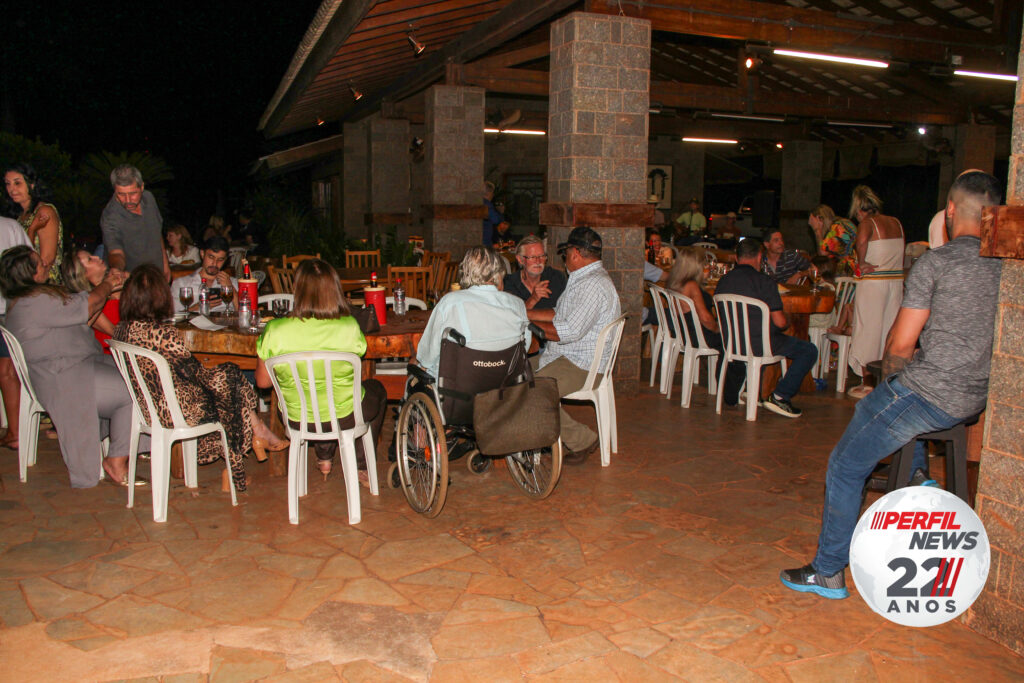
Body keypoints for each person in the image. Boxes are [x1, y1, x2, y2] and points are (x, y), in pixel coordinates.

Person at [780, 171, 1004, 600]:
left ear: (951, 211)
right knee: (892, 411)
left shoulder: (936, 263)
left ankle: (827, 571)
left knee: (846, 463)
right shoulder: (1004, 265)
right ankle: (918, 471)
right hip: (974, 397)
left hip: (931, 395)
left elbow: (900, 344)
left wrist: (887, 377)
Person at [114, 265, 288, 492]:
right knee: (232, 384)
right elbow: (195, 373)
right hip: (176, 410)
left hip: (148, 407)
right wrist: (228, 374)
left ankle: (255, 438)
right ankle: (250, 446)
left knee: (230, 384)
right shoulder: (162, 334)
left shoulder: (121, 330)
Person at [0, 245, 134, 487]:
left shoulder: (29, 299)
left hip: (73, 368)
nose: (47, 265)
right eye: (40, 264)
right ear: (29, 275)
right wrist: (107, 284)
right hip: (65, 377)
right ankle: (116, 461)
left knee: (139, 377)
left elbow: (85, 311)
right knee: (134, 391)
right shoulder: (34, 302)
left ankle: (131, 449)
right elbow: (88, 304)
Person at [256, 259, 386, 480]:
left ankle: (324, 457)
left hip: (297, 418)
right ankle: (361, 465)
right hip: (345, 416)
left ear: (296, 290)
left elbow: (263, 383)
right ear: (335, 290)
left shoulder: (274, 330)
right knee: (376, 390)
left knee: (314, 395)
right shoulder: (349, 327)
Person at [528, 227, 620, 464]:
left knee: (534, 392)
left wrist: (533, 328)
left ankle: (582, 440)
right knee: (513, 370)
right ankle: (531, 436)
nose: (564, 258)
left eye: (566, 252)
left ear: (576, 253)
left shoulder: (591, 285)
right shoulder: (583, 278)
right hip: (567, 355)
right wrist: (527, 314)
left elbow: (568, 331)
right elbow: (559, 314)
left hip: (582, 364)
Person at [716, 238, 818, 417]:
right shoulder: (765, 282)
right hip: (760, 344)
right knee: (808, 350)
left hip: (731, 342)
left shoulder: (723, 281)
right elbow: (779, 322)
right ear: (759, 257)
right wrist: (786, 321)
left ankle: (751, 389)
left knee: (761, 333)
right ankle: (780, 396)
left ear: (737, 258)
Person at [417, 247, 530, 380]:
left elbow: (428, 356)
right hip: (503, 384)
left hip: (457, 387)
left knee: (418, 364)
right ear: (499, 273)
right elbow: (524, 347)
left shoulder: (451, 302)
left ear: (465, 271)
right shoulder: (517, 304)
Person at [847, 184, 905, 399]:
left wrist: (862, 263)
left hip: (874, 282)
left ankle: (867, 383)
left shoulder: (867, 223)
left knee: (867, 330)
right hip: (895, 281)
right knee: (889, 330)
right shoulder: (895, 222)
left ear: (859, 208)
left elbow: (861, 243)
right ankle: (887, 379)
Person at [100, 164, 171, 281]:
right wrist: (117, 269)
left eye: (133, 193)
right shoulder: (110, 216)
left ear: (142, 187)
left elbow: (157, 232)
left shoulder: (149, 198)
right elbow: (116, 253)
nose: (128, 200)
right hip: (134, 282)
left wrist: (165, 265)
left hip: (157, 275)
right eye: (121, 194)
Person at [0, 217, 32, 449]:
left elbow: (31, 263)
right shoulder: (11, 226)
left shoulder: (9, 226)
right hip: (11, 306)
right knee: (7, 369)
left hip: (8, 307)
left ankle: (15, 433)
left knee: (7, 370)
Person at [4, 163, 64, 283]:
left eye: (17, 183)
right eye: (7, 183)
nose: (12, 189)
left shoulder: (44, 211)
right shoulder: (20, 216)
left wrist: (31, 230)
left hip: (43, 284)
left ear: (31, 185)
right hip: (23, 283)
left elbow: (46, 260)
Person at [61, 249, 126, 353]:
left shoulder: (117, 283)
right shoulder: (90, 303)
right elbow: (116, 332)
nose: (97, 257)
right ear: (83, 274)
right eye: (90, 259)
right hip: (114, 355)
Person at [665, 247, 721, 352]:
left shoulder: (674, 282)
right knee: (733, 337)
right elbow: (705, 318)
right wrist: (718, 328)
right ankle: (724, 368)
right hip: (696, 336)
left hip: (681, 332)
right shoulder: (691, 286)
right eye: (703, 265)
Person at [170, 236, 238, 313]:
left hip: (225, 323)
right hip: (193, 323)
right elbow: (172, 316)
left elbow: (245, 315)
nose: (215, 263)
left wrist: (231, 289)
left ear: (225, 260)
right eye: (211, 257)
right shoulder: (181, 284)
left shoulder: (232, 283)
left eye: (220, 259)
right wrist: (196, 307)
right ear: (202, 254)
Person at [503, 235, 566, 311]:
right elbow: (511, 318)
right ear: (520, 259)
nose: (538, 261)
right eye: (532, 257)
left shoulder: (556, 278)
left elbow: (564, 315)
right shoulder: (509, 283)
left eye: (542, 256)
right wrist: (533, 299)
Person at [808, 204, 858, 275]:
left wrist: (817, 231)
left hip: (852, 270)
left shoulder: (838, 226)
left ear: (820, 219)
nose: (810, 224)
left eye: (812, 222)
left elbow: (823, 253)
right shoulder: (837, 225)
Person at [482, 182, 503, 246]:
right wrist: (500, 212)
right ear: (489, 193)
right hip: (485, 241)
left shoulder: (477, 202)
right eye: (492, 193)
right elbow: (496, 220)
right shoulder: (487, 204)